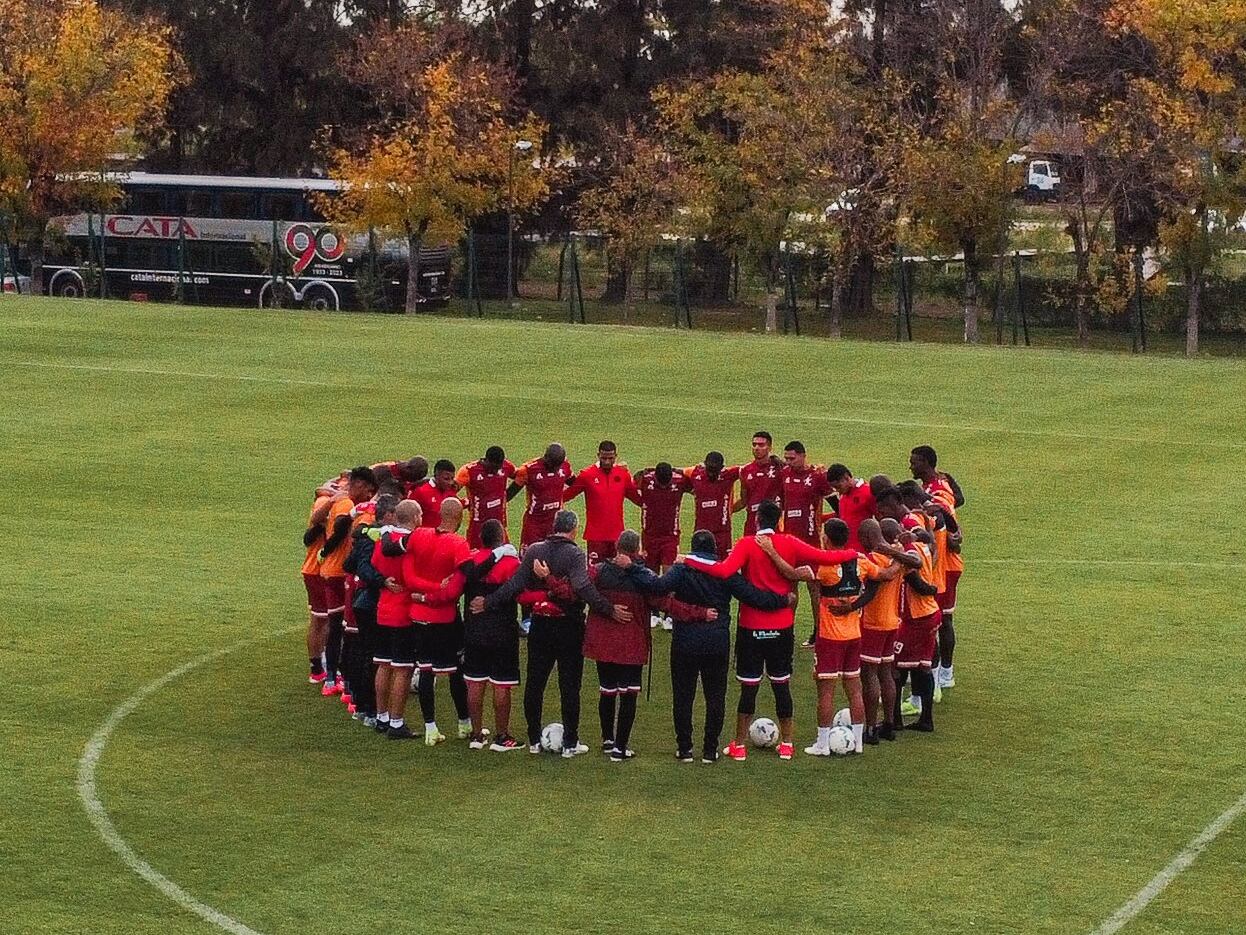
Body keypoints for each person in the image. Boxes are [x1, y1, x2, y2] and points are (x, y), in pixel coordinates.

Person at [682, 500, 860, 761]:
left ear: (756, 520)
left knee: (749, 687)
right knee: (781, 684)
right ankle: (787, 744)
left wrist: (689, 560)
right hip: (782, 627)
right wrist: (853, 554)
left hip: (751, 627)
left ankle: (739, 746)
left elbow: (723, 571)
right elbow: (824, 557)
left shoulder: (746, 544)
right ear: (779, 521)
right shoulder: (790, 542)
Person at [476, 509, 634, 757]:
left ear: (554, 526)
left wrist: (487, 602)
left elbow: (515, 584)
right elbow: (583, 588)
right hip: (569, 626)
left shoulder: (535, 550)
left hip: (540, 625)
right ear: (574, 529)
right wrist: (609, 609)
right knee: (569, 686)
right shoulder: (574, 554)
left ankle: (534, 740)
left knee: (535, 684)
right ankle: (570, 743)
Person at [757, 518, 899, 755]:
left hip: (830, 637)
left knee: (826, 691)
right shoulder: (861, 561)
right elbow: (886, 575)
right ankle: (858, 742)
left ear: (826, 539)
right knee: (854, 689)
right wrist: (900, 557)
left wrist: (771, 551)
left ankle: (822, 744)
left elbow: (790, 573)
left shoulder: (823, 566)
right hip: (854, 635)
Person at [655, 529, 792, 763]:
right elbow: (753, 596)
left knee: (683, 696)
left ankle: (685, 748)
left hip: (685, 642)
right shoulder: (724, 572)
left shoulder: (681, 570)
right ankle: (710, 750)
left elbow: (657, 589)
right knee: (715, 696)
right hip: (716, 642)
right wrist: (783, 599)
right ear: (714, 550)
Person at [581, 530, 715, 761]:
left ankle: (608, 740)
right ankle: (620, 748)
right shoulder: (643, 578)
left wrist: (605, 607)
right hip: (631, 645)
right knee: (629, 694)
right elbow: (668, 605)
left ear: (617, 546)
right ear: (636, 550)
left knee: (607, 691)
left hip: (603, 643)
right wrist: (701, 613)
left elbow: (581, 588)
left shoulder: (599, 571)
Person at [442, 518, 531, 751]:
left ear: (481, 539)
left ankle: (476, 735)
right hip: (503, 632)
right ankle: (502, 737)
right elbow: (522, 596)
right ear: (502, 538)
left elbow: (453, 590)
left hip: (474, 631)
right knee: (501, 684)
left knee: (475, 681)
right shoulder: (512, 562)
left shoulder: (470, 560)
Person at [858, 518, 920, 743]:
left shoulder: (873, 559)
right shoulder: (898, 558)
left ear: (868, 537)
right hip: (893, 622)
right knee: (886, 673)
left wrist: (850, 607)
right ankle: (889, 725)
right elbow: (915, 563)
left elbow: (869, 591)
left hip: (873, 623)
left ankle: (870, 729)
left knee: (869, 675)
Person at [318, 466, 378, 695]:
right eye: (368, 490)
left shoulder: (341, 501)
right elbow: (341, 533)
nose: (369, 496)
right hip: (342, 573)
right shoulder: (348, 506)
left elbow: (318, 521)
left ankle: (332, 679)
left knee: (338, 627)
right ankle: (343, 682)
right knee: (347, 630)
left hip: (332, 570)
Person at [910, 447, 966, 689]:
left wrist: (954, 532)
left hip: (945, 566)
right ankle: (936, 671)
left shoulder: (938, 488)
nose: (910, 466)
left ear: (925, 462)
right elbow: (959, 500)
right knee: (938, 619)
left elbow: (944, 509)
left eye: (914, 462)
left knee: (941, 619)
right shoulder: (937, 484)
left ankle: (943, 673)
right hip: (941, 563)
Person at [343, 493, 399, 725]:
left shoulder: (366, 534)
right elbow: (363, 567)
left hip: (361, 601)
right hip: (373, 601)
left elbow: (349, 564)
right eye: (396, 514)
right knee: (375, 657)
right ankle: (372, 710)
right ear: (388, 515)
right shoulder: (377, 537)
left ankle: (362, 705)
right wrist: (382, 580)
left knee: (364, 653)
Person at [371, 499, 421, 738]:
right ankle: (397, 723)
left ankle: (381, 717)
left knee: (383, 664)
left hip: (383, 609)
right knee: (403, 668)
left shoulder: (384, 540)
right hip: (404, 611)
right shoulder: (412, 543)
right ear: (415, 518)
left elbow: (374, 565)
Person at [779, 441, 832, 648]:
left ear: (803, 456)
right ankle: (787, 630)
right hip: (789, 542)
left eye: (792, 458)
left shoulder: (817, 476)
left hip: (811, 542)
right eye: (786, 458)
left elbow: (833, 497)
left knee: (815, 588)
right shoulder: (784, 474)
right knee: (789, 587)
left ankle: (819, 632)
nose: (788, 462)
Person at [893, 526, 942, 732]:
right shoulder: (924, 546)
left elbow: (916, 582)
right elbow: (933, 546)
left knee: (895, 667)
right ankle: (926, 719)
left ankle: (894, 720)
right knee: (923, 667)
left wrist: (930, 589)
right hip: (931, 614)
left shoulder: (909, 552)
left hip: (916, 619)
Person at [633, 461, 689, 630]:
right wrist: (645, 470)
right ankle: (654, 612)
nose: (664, 485)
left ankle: (670, 614)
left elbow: (694, 483)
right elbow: (635, 478)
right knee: (651, 573)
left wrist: (679, 469)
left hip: (670, 536)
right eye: (661, 482)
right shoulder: (646, 479)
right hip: (650, 536)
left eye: (667, 482)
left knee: (669, 574)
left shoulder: (679, 481)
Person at [563, 440, 640, 561]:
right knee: (595, 571)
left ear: (616, 456)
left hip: (617, 537)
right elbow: (566, 495)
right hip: (595, 537)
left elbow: (638, 499)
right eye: (604, 458)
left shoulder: (623, 475)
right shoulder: (587, 475)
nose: (607, 462)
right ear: (598, 455)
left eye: (611, 458)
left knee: (617, 570)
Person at [508, 443, 574, 550]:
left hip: (555, 523)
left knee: (555, 556)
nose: (555, 469)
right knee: (529, 555)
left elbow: (575, 484)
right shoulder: (528, 470)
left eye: (558, 466)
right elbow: (509, 494)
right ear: (545, 457)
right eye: (553, 465)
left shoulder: (565, 466)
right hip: (534, 524)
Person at [301, 490, 335, 684]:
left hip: (320, 570)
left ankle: (322, 665)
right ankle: (319, 668)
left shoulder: (330, 497)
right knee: (322, 620)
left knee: (325, 620)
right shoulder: (326, 501)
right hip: (318, 571)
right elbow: (308, 538)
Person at [456, 445, 517, 548]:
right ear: (487, 460)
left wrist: (507, 496)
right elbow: (450, 491)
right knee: (475, 555)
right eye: (494, 468)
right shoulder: (469, 471)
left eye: (499, 467)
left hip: (499, 525)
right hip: (477, 527)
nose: (496, 471)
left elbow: (520, 477)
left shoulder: (506, 466)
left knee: (504, 555)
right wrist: (465, 502)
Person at [686, 451, 739, 560]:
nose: (711, 473)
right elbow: (676, 472)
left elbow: (748, 469)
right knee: (700, 565)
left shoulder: (728, 475)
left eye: (715, 470)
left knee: (722, 565)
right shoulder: (695, 473)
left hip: (722, 533)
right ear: (705, 464)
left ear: (722, 468)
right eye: (709, 469)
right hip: (701, 533)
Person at [735, 430, 782, 537]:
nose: (756, 448)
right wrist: (728, 511)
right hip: (751, 524)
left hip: (773, 524)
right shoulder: (745, 470)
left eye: (761, 445)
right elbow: (744, 501)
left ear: (769, 447)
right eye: (754, 444)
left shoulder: (779, 468)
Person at [826, 464, 876, 552]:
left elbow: (881, 518)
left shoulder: (867, 492)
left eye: (838, 487)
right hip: (844, 551)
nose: (837, 490)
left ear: (846, 478)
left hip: (863, 552)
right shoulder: (843, 496)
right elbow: (844, 516)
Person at [411, 459, 458, 528]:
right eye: (446, 479)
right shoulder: (421, 491)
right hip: (426, 533)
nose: (450, 482)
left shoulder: (450, 490)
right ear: (436, 476)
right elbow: (410, 516)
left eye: (452, 478)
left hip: (446, 533)